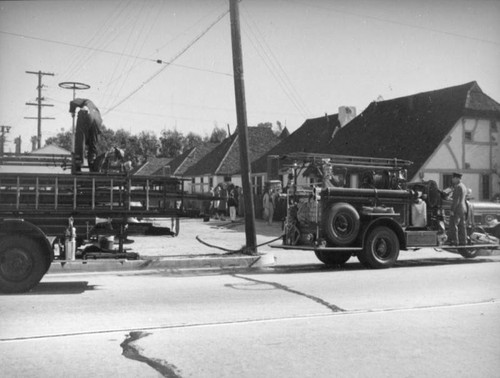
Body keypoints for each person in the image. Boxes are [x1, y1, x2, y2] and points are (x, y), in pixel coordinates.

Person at [69, 98, 103, 172]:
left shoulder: (82, 101)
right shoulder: (95, 107)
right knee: (93, 144)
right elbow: (98, 132)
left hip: (86, 113)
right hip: (98, 118)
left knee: (80, 139)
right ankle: (93, 165)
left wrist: (72, 112)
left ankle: (78, 163)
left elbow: (72, 102)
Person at [448, 172, 468, 246]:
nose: (452, 180)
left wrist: (452, 210)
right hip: (463, 208)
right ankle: (463, 241)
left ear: (456, 178)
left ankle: (455, 241)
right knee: (462, 225)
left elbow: (456, 200)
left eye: (453, 178)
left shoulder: (458, 187)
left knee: (453, 224)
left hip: (457, 208)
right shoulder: (463, 186)